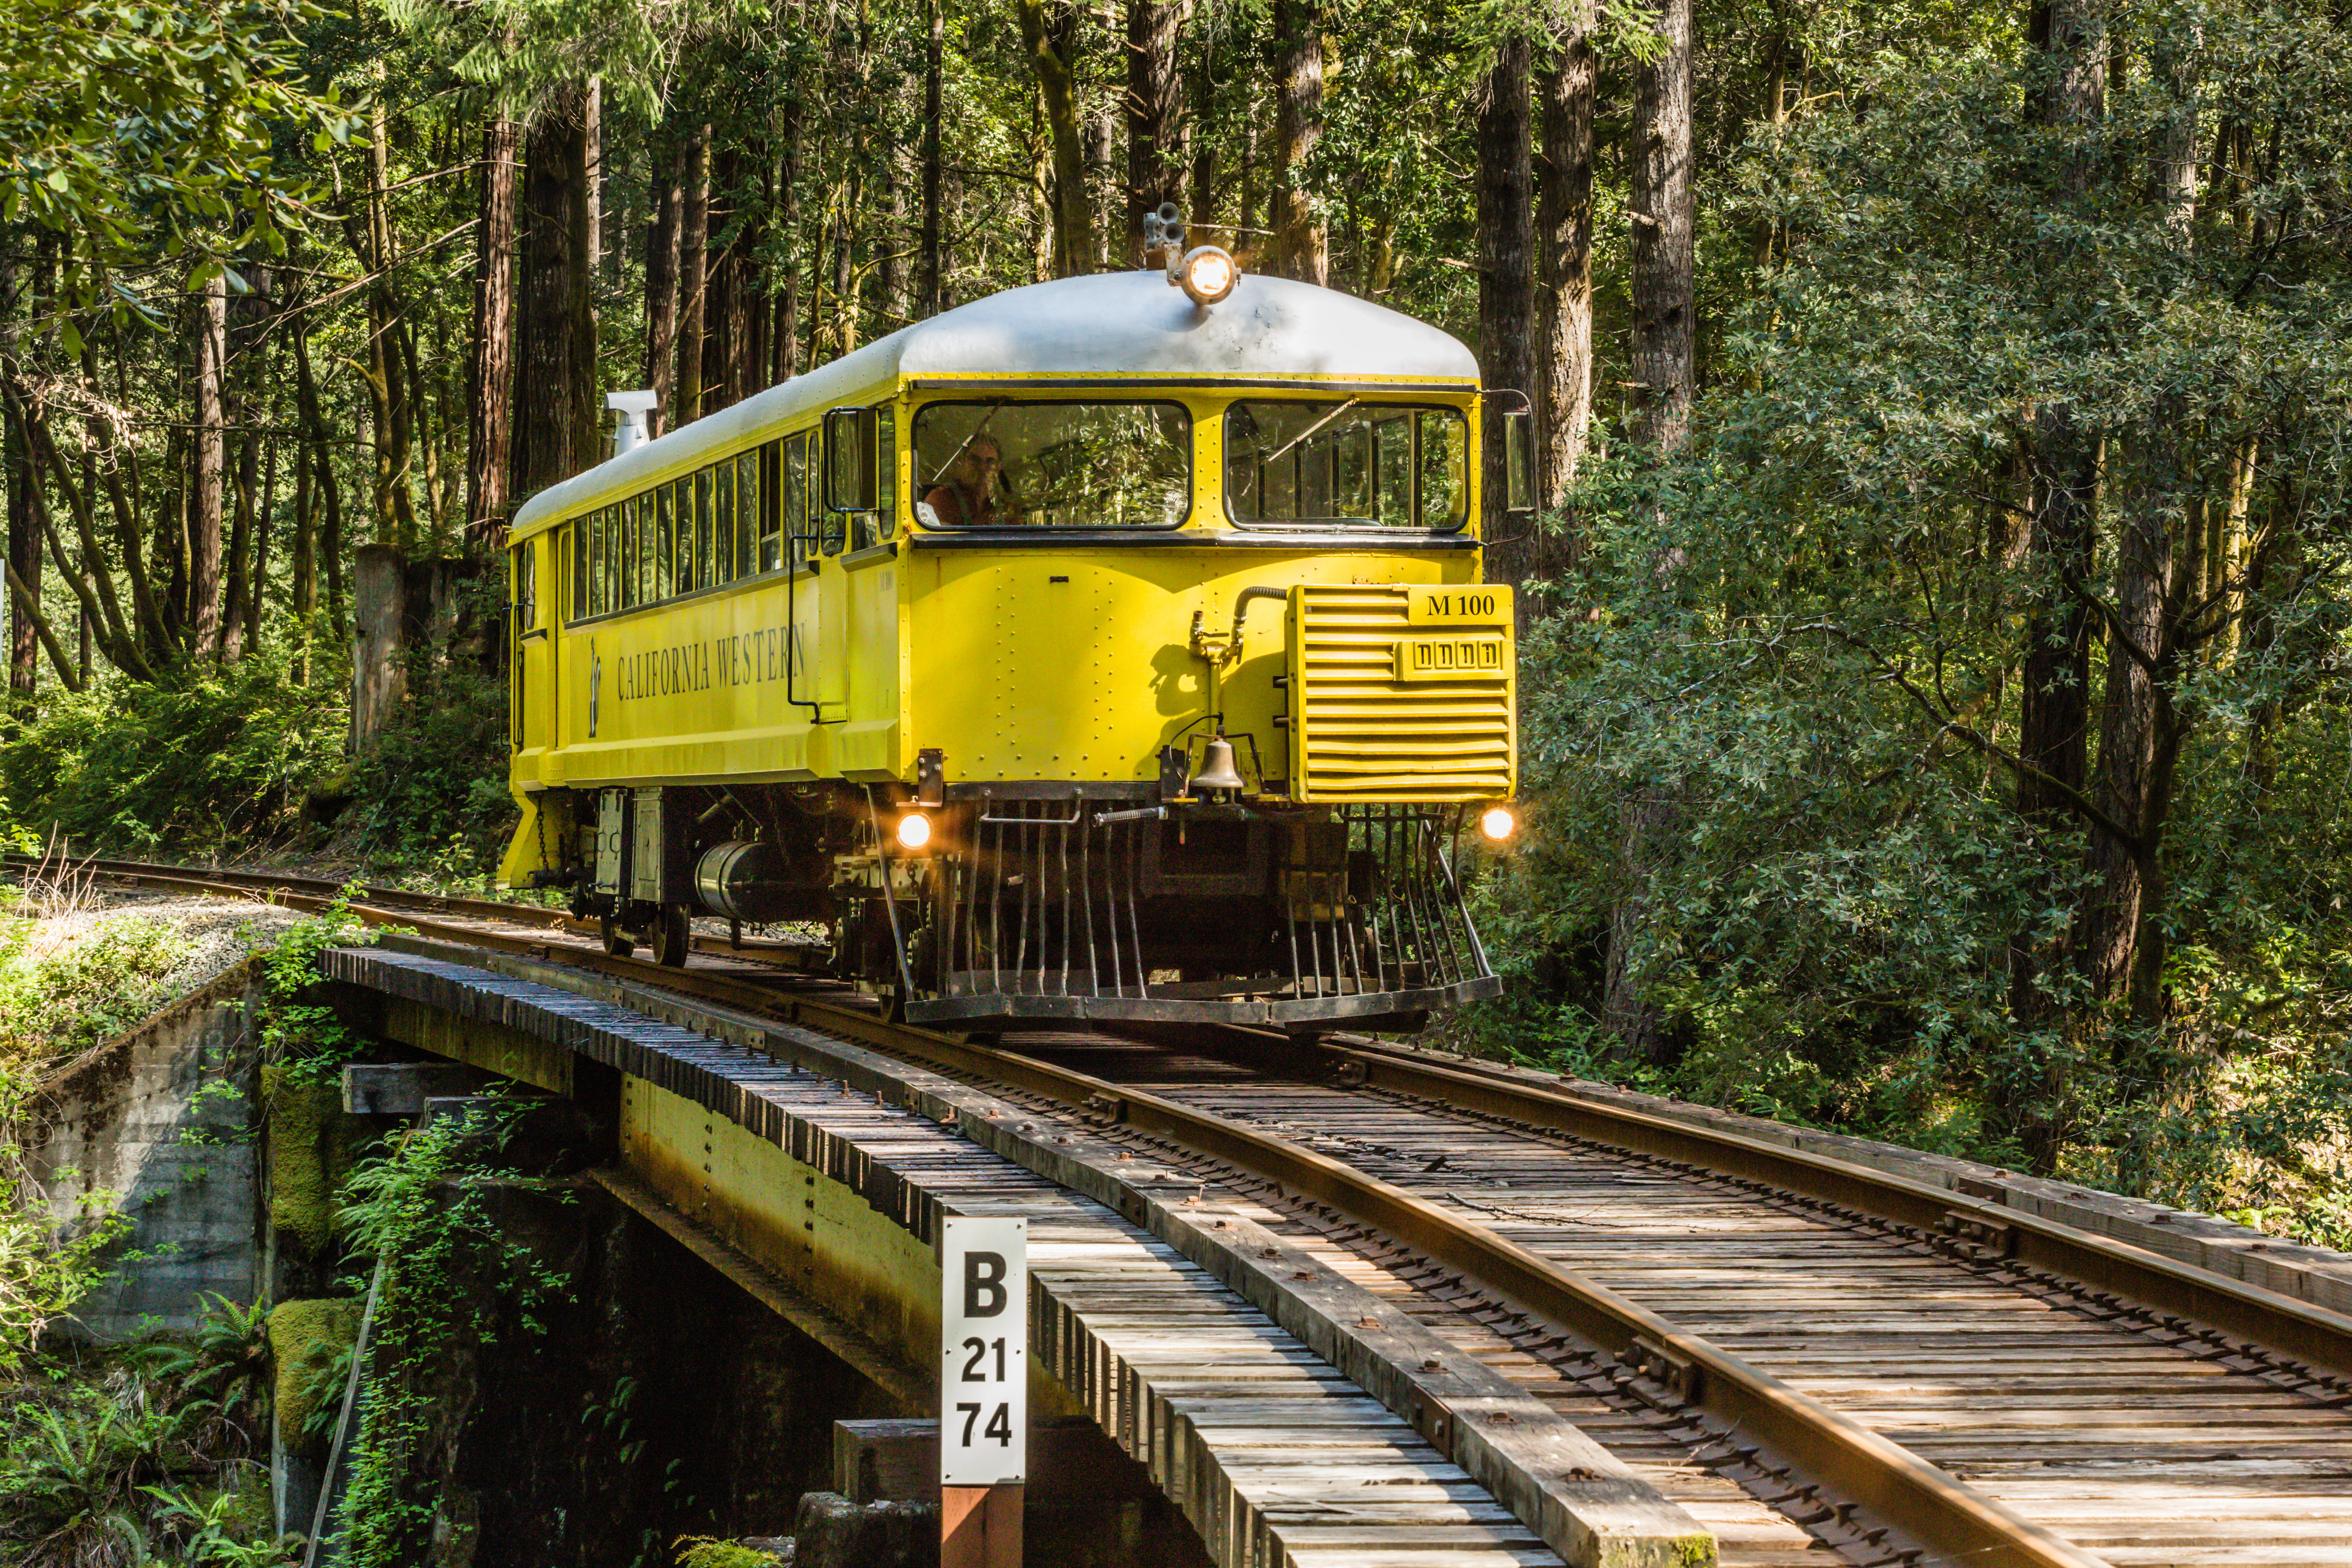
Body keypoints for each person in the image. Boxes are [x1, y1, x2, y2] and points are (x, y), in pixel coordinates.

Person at [922, 435, 1024, 527]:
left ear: (998, 467)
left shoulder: (1008, 508)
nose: (983, 467)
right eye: (975, 459)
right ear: (961, 461)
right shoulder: (941, 499)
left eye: (990, 462)